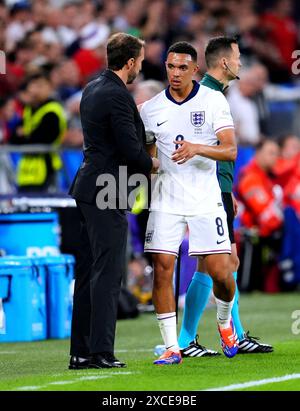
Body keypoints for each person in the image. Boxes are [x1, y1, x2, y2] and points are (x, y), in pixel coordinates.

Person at [140, 41, 239, 365]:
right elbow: (150, 155)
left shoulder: (213, 101)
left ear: (194, 70)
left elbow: (230, 150)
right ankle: (172, 346)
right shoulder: (150, 109)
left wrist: (197, 148)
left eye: (183, 67)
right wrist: (150, 163)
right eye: (171, 67)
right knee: (162, 270)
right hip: (166, 200)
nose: (176, 73)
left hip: (205, 199)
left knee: (222, 272)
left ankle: (224, 322)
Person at [177, 37, 273, 356]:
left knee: (220, 262)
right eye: (238, 56)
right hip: (208, 192)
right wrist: (219, 188)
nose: (241, 62)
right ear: (225, 63)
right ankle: (191, 339)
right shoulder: (205, 96)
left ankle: (222, 336)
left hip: (217, 189)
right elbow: (204, 145)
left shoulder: (214, 93)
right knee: (218, 263)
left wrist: (225, 188)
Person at [68, 33, 159, 370]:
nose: (141, 66)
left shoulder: (92, 88)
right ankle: (100, 352)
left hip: (89, 187)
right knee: (108, 273)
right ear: (131, 61)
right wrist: (151, 162)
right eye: (141, 60)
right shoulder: (117, 95)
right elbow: (127, 146)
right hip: (108, 189)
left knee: (90, 270)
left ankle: (81, 352)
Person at [10, 72, 67, 192]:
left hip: (46, 169)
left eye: (40, 86)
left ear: (49, 87)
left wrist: (25, 134)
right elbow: (13, 137)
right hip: (26, 172)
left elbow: (42, 139)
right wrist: (27, 135)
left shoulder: (53, 110)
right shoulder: (29, 109)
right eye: (34, 85)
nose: (35, 90)